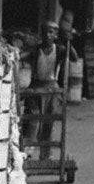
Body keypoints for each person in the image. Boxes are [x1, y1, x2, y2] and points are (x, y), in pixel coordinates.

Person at [23, 20, 65, 157]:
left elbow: (74, 57)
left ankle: (45, 154)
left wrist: (68, 42)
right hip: (36, 87)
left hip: (52, 89)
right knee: (32, 121)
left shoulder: (59, 50)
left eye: (51, 32)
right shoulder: (36, 49)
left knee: (48, 121)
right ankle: (28, 152)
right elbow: (25, 56)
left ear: (56, 35)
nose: (47, 35)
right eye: (45, 32)